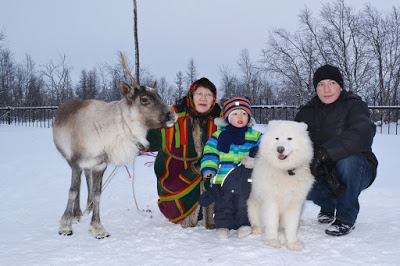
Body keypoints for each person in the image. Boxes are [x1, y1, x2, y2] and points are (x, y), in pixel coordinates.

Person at [294, 64, 378, 236]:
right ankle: (328, 206)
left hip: (356, 168)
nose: (327, 89)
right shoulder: (306, 112)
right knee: (296, 177)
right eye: (321, 84)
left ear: (340, 85)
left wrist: (325, 153)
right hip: (321, 170)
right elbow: (292, 139)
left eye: (332, 83)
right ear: (316, 88)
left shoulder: (354, 105)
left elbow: (362, 133)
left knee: (348, 161)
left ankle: (346, 217)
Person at [145, 77, 221, 228]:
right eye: (199, 93)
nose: (203, 98)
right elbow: (150, 138)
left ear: (213, 99)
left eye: (208, 95)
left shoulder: (220, 120)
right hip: (178, 176)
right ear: (192, 95)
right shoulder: (174, 115)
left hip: (210, 175)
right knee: (178, 210)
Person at [199, 97, 262, 239]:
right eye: (235, 114)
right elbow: (210, 153)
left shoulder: (255, 136)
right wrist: (209, 168)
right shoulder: (218, 136)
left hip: (246, 180)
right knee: (223, 204)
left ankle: (243, 225)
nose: (240, 117)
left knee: (244, 204)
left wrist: (256, 155)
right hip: (223, 178)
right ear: (227, 117)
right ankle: (223, 226)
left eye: (244, 114)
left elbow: (267, 148)